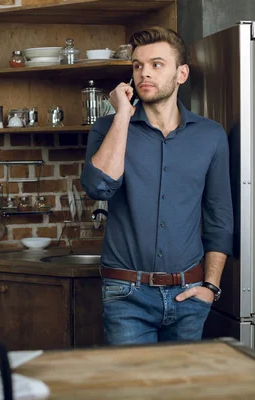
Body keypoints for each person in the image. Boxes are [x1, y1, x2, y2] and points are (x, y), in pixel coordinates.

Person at [80, 27, 233, 345]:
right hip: (126, 295)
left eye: (156, 64)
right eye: (137, 65)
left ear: (182, 73)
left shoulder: (210, 135)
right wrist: (121, 115)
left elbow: (219, 216)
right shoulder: (108, 128)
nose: (144, 72)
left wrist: (212, 286)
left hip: (190, 295)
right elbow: (98, 187)